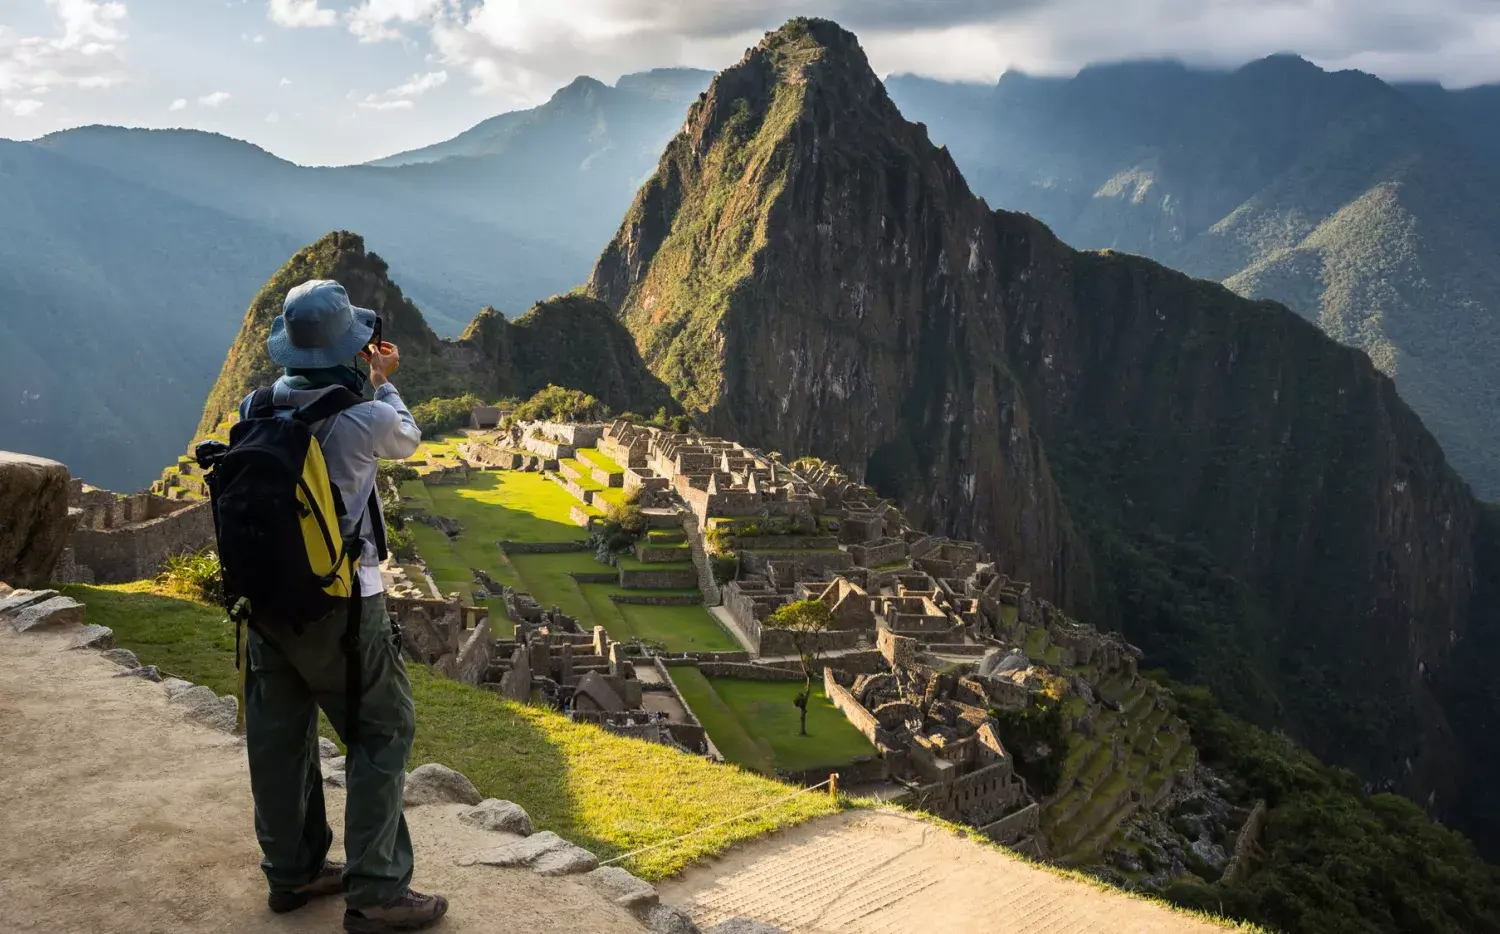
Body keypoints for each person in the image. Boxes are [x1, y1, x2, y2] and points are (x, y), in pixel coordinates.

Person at [239, 279, 447, 933]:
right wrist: (382, 379)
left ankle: (293, 872)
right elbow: (407, 436)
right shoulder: (367, 417)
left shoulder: (254, 407)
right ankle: (378, 889)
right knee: (383, 731)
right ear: (350, 347)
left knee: (278, 737)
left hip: (265, 602)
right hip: (343, 605)